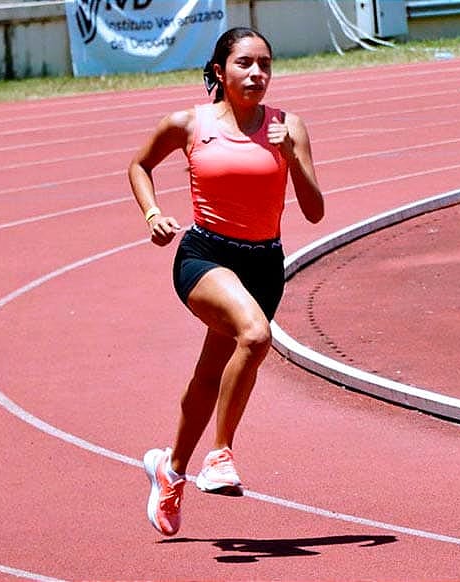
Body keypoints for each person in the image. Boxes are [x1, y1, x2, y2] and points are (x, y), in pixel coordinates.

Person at [128, 26, 324, 537]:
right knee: (256, 337)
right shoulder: (188, 123)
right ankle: (220, 454)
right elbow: (140, 165)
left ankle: (170, 470)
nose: (257, 73)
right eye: (244, 63)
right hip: (205, 256)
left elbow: (315, 210)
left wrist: (292, 157)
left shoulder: (288, 126)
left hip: (264, 264)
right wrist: (152, 214)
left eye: (265, 63)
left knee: (210, 372)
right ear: (220, 70)